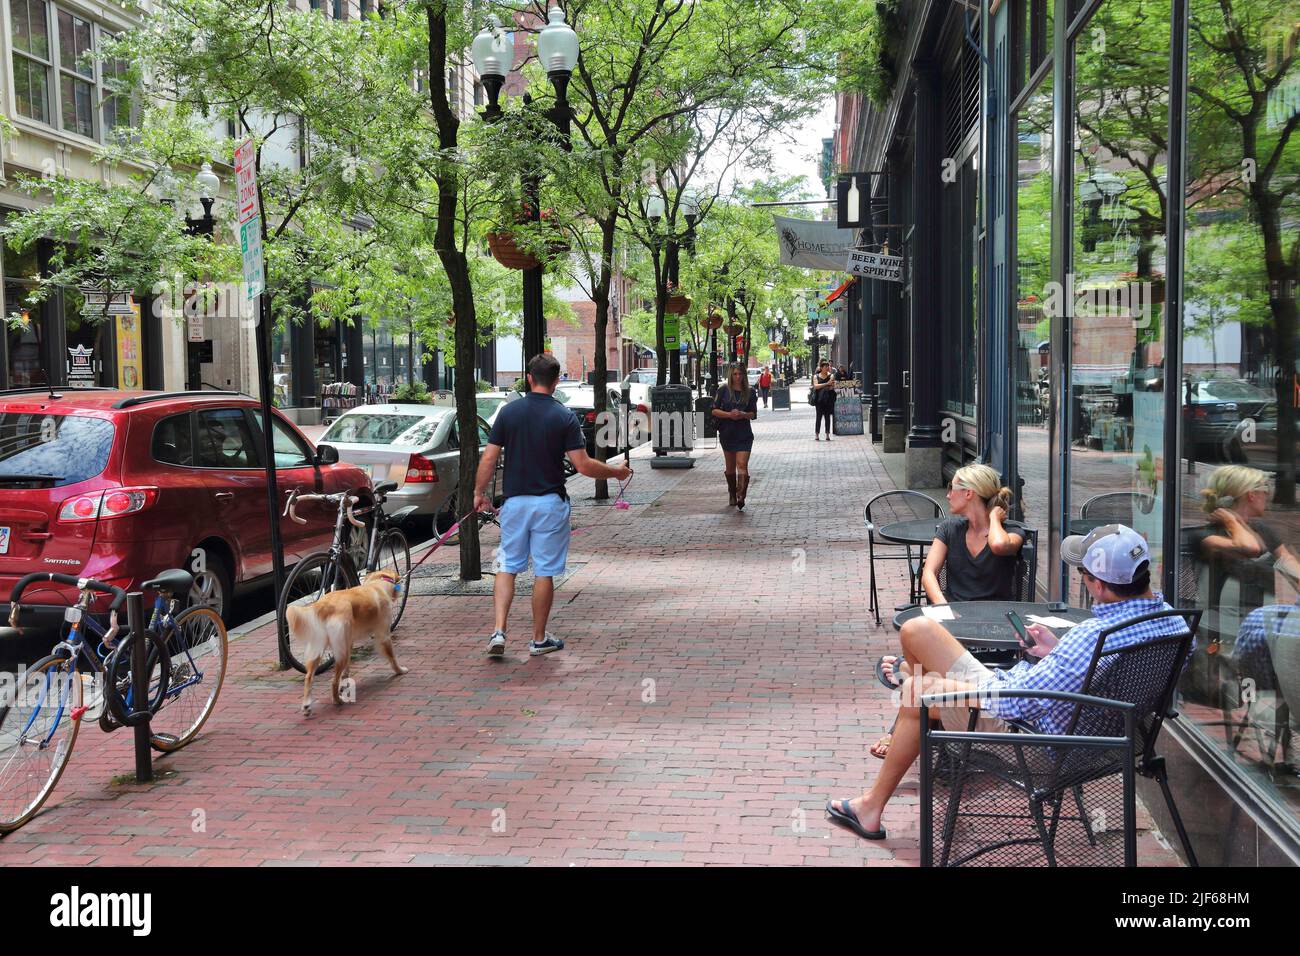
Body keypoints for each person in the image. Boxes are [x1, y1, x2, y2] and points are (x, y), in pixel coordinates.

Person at [827, 524, 1188, 841]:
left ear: (1099, 585)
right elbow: (1105, 677)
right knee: (918, 629)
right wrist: (1057, 652)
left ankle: (871, 806)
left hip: (1031, 737)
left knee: (916, 692)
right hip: (1089, 733)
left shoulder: (1095, 635)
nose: (1081, 579)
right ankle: (916, 690)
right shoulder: (1176, 624)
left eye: (1083, 574)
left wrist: (946, 687)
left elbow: (1019, 702)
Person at [474, 353, 632, 659]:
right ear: (557, 381)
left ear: (529, 379)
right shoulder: (564, 416)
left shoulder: (509, 413)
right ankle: (538, 638)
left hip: (515, 502)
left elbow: (489, 459)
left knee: (507, 566)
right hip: (549, 503)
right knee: (543, 572)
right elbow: (583, 465)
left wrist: (479, 492)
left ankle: (498, 631)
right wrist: (616, 472)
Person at [871, 464, 1026, 758]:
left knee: (915, 668)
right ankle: (909, 679)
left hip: (992, 638)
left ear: (968, 493)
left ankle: (905, 685)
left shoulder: (1011, 532)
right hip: (951, 627)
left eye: (953, 488)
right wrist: (943, 607)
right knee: (922, 645)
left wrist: (994, 518)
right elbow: (929, 573)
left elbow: (998, 544)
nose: (948, 494)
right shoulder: (950, 529)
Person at [712, 363, 758, 511]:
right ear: (731, 375)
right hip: (727, 432)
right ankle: (732, 492)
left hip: (744, 433)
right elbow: (714, 410)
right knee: (730, 468)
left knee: (742, 465)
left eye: (740, 374)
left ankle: (741, 496)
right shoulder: (723, 390)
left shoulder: (750, 392)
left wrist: (744, 414)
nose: (738, 377)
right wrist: (729, 415)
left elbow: (753, 413)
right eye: (735, 374)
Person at [812, 360, 836, 441]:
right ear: (821, 368)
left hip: (828, 399)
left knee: (827, 417)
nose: (827, 368)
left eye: (828, 366)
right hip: (819, 400)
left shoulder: (831, 376)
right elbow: (815, 386)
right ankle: (817, 434)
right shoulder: (816, 376)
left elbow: (832, 386)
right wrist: (826, 384)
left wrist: (828, 385)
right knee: (818, 417)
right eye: (826, 367)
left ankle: (827, 434)